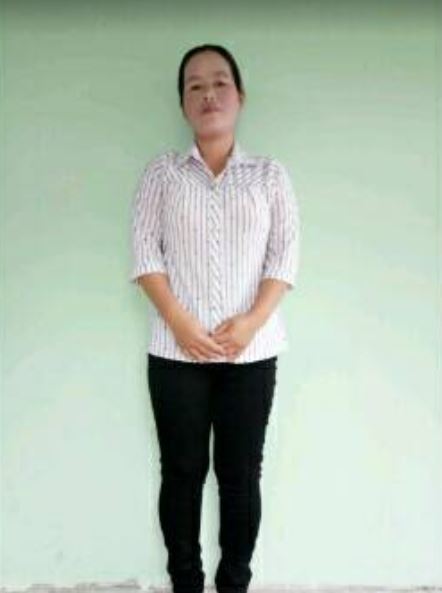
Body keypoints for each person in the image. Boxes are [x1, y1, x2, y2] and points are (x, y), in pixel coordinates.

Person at [129, 44, 300, 593]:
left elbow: (284, 259)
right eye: (195, 86)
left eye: (220, 82)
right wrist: (180, 322)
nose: (208, 94)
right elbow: (145, 254)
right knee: (181, 473)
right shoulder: (162, 173)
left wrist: (250, 322)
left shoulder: (269, 175)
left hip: (252, 354)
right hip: (175, 354)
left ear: (240, 96)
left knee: (240, 476)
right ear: (183, 103)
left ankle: (234, 585)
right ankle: (185, 584)